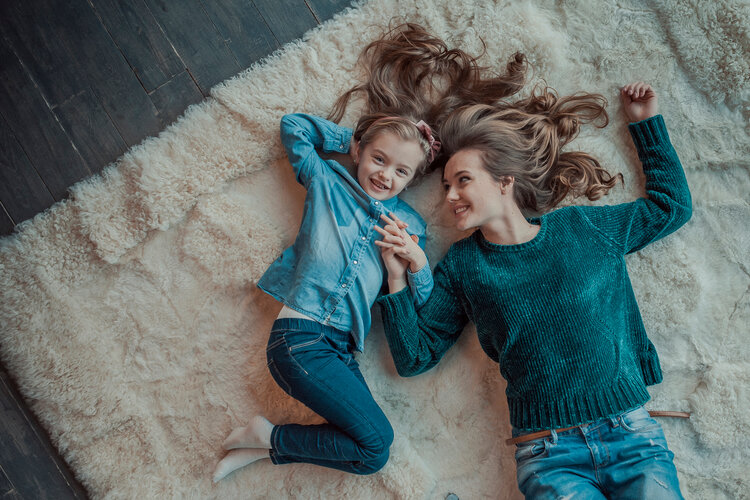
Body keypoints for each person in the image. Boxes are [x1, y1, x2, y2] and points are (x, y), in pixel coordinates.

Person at [212, 23, 527, 482]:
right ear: (361, 153)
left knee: (374, 451)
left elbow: (421, 306)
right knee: (374, 443)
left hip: (342, 350)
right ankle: (268, 439)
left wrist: (417, 264)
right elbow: (294, 127)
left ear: (412, 180)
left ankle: (269, 439)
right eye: (379, 159)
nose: (385, 175)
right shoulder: (328, 183)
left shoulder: (409, 225)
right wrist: (350, 142)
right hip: (301, 335)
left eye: (401, 171)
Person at [374, 82, 691, 498]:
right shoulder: (463, 266)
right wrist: (397, 279)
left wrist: (645, 122)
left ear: (504, 181)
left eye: (463, 180)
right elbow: (415, 356)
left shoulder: (583, 227)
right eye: (446, 186)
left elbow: (671, 207)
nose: (451, 196)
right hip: (550, 456)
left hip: (631, 437)